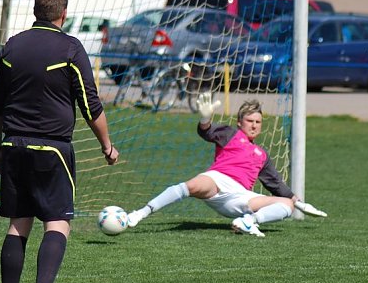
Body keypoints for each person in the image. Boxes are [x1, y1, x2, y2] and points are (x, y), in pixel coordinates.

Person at [0, 0, 119, 283]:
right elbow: (90, 105)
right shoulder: (70, 48)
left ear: (35, 10)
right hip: (52, 149)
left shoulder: (12, 45)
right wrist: (107, 144)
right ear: (63, 14)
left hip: (13, 145)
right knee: (57, 222)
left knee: (19, 223)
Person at [126, 93, 304, 237]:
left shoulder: (262, 154)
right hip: (218, 180)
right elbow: (207, 132)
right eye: (250, 121)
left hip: (241, 197)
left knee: (287, 205)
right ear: (240, 122)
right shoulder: (231, 134)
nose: (254, 125)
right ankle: (140, 213)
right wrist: (205, 119)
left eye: (258, 122)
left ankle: (248, 222)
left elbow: (275, 184)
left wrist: (297, 201)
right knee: (191, 185)